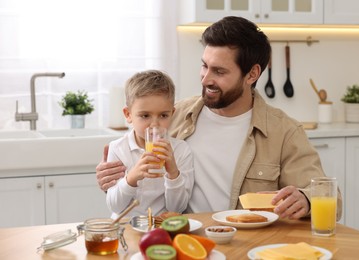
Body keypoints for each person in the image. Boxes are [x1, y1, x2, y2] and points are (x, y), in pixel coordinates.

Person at [97, 16, 342, 220]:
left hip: (247, 245)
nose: (205, 79)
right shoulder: (176, 114)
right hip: (186, 239)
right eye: (204, 66)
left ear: (252, 74)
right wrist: (115, 175)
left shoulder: (284, 131)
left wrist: (306, 199)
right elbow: (136, 168)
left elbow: (331, 197)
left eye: (219, 71)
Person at [105, 70, 194, 218]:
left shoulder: (180, 150)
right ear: (128, 114)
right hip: (125, 229)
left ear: (172, 113)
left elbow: (177, 208)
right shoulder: (118, 148)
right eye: (145, 116)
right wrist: (131, 177)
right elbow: (115, 206)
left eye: (163, 115)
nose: (154, 124)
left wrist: (173, 172)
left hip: (162, 228)